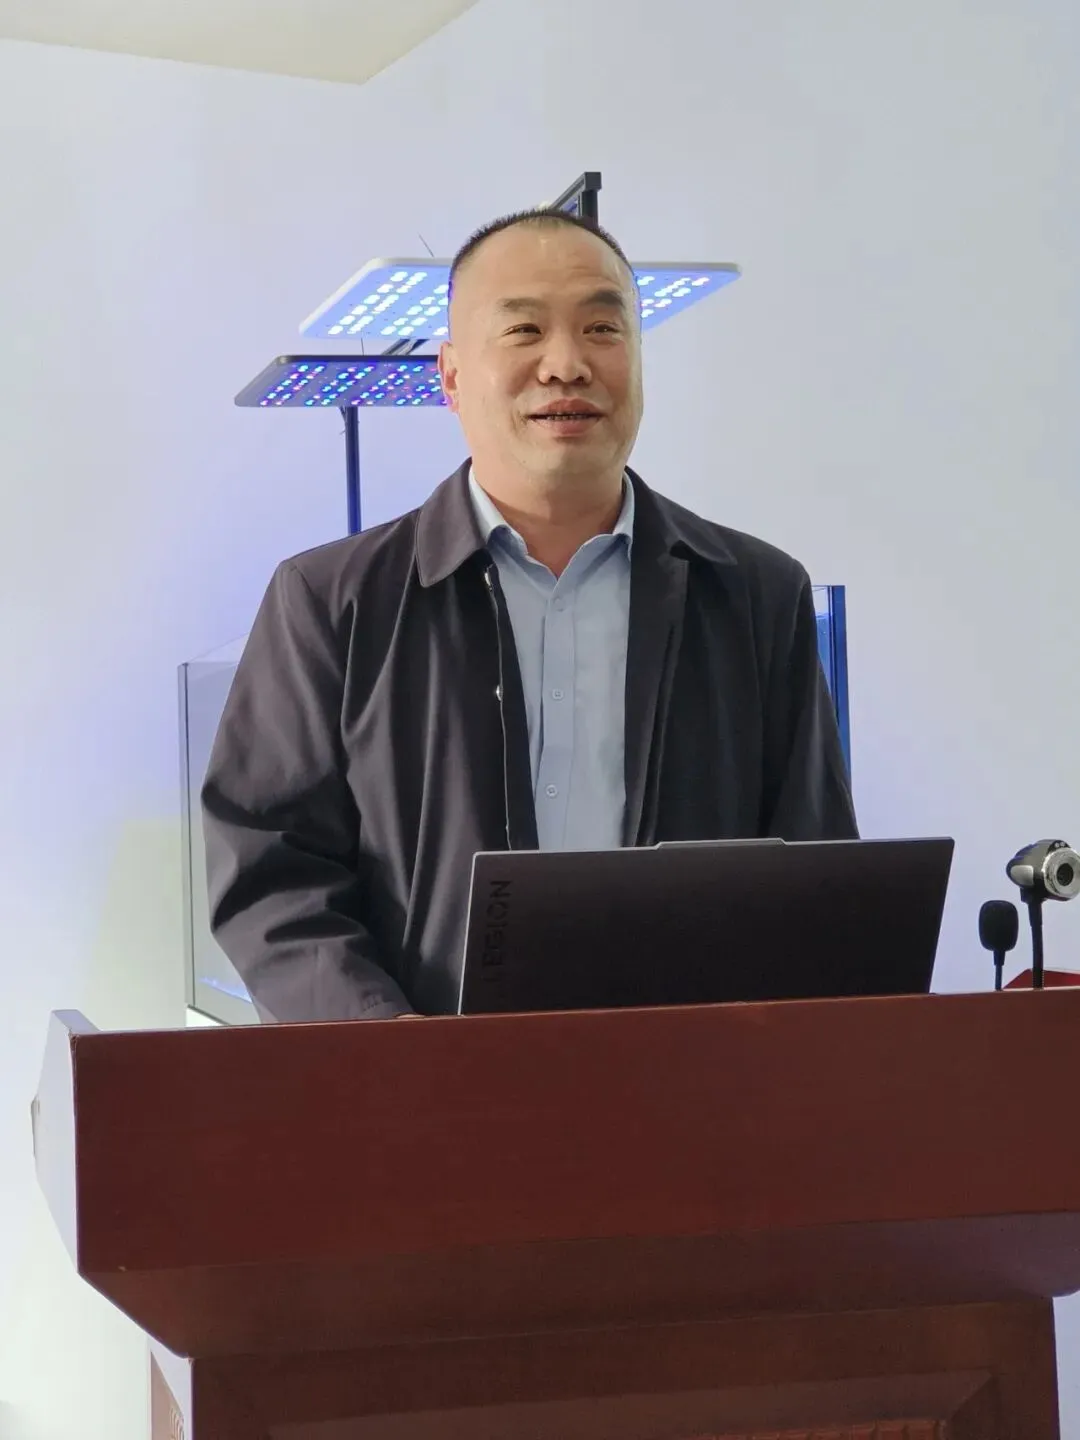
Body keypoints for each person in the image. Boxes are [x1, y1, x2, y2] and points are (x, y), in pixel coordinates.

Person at [201, 208, 857, 1022]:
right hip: (428, 1082)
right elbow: (271, 873)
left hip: (692, 1080)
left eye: (603, 329)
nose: (567, 364)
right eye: (523, 330)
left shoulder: (757, 595)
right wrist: (385, 1043)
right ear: (450, 376)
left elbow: (816, 872)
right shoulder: (332, 601)